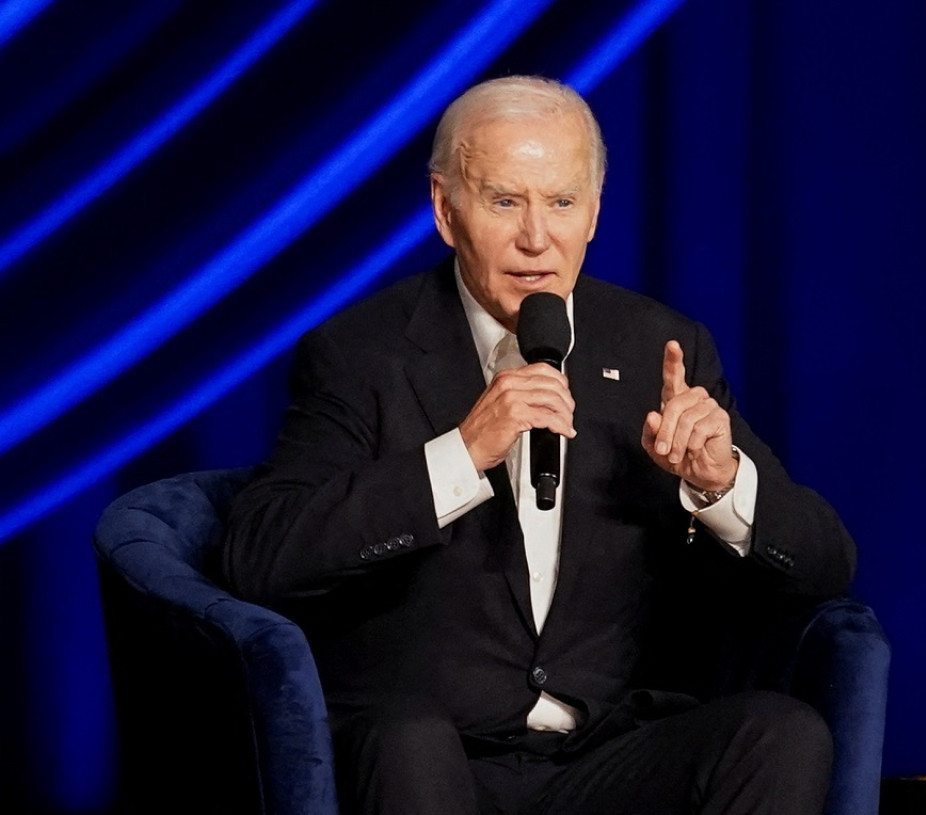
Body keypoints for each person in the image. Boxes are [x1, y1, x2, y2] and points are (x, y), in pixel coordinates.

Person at [222, 75, 857, 814]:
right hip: (436, 757)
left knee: (781, 733)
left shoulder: (661, 348)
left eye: (560, 202)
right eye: (504, 201)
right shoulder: (363, 352)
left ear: (593, 213)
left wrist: (720, 485)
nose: (536, 237)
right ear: (445, 209)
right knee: (409, 744)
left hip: (608, 755)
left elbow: (826, 562)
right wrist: (461, 452)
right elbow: (260, 553)